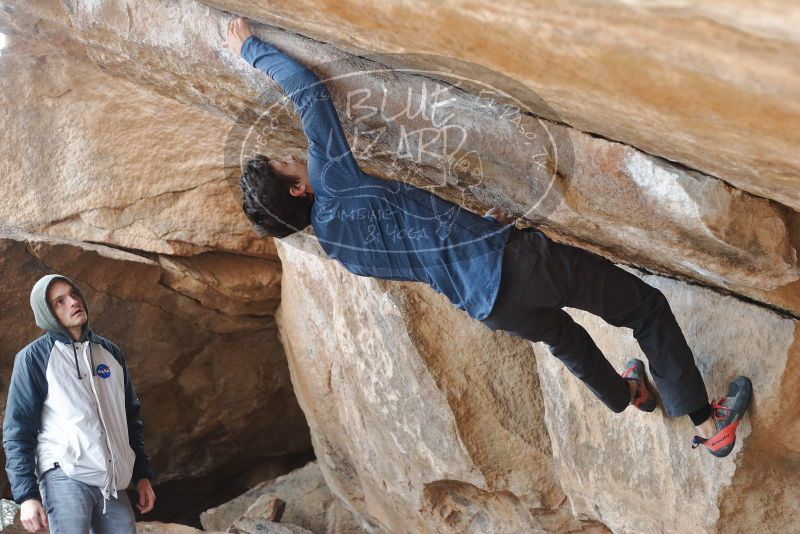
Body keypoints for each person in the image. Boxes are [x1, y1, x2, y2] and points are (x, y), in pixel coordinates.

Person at [223, 17, 751, 457]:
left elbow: (422, 240)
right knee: (644, 308)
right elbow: (308, 93)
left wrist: (482, 226)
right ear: (297, 190)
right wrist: (250, 46)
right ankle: (709, 424)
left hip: (486, 303)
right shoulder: (333, 180)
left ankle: (628, 394)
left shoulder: (343, 250)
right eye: (284, 162)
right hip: (516, 264)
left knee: (563, 337)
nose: (291, 154)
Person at [3, 275, 156, 533]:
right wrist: (27, 495)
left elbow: (130, 419)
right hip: (65, 476)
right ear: (47, 312)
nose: (73, 302)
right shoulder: (33, 358)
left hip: (112, 482)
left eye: (74, 294)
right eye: (59, 302)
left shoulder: (110, 353)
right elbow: (18, 430)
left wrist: (142, 475)